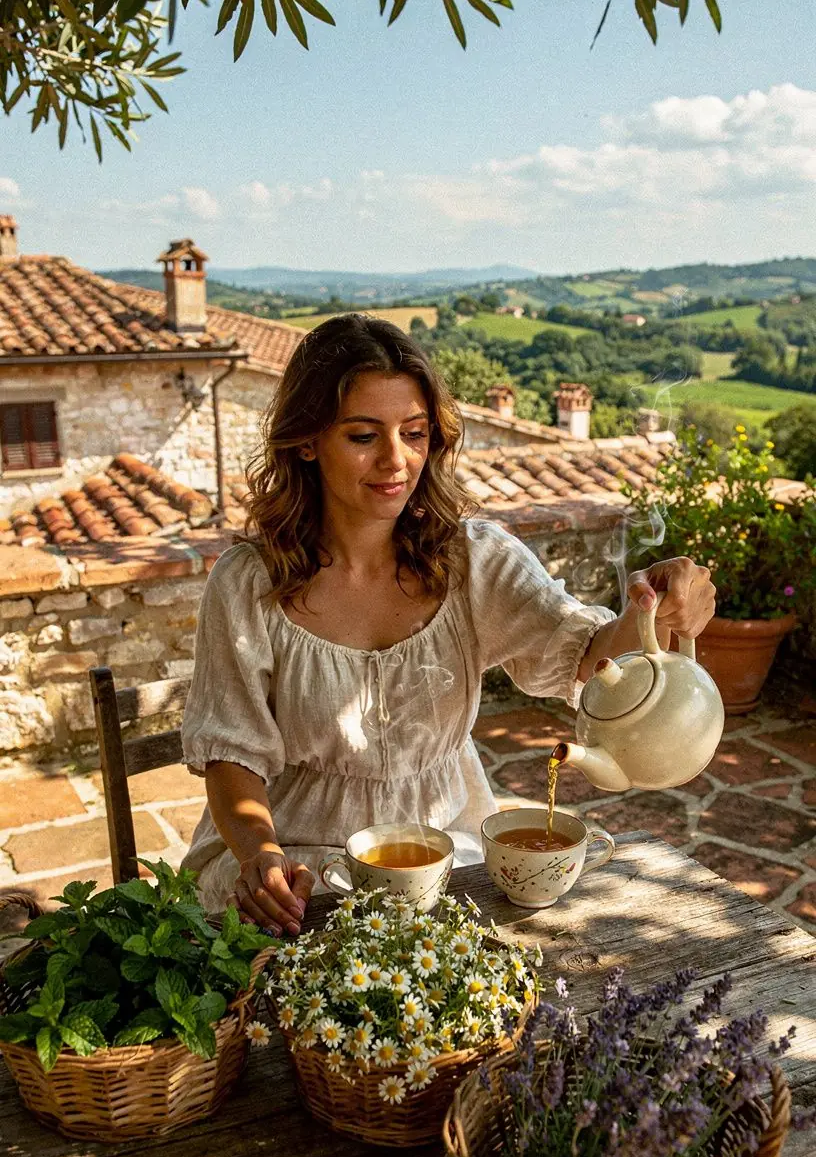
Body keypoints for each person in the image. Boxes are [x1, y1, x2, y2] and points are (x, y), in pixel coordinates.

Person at [180, 314, 715, 934]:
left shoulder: (472, 561)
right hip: (292, 860)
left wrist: (652, 610)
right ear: (306, 441)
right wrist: (259, 854)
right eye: (362, 436)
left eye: (414, 433)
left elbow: (591, 660)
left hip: (441, 853)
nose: (395, 460)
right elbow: (230, 753)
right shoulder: (249, 583)